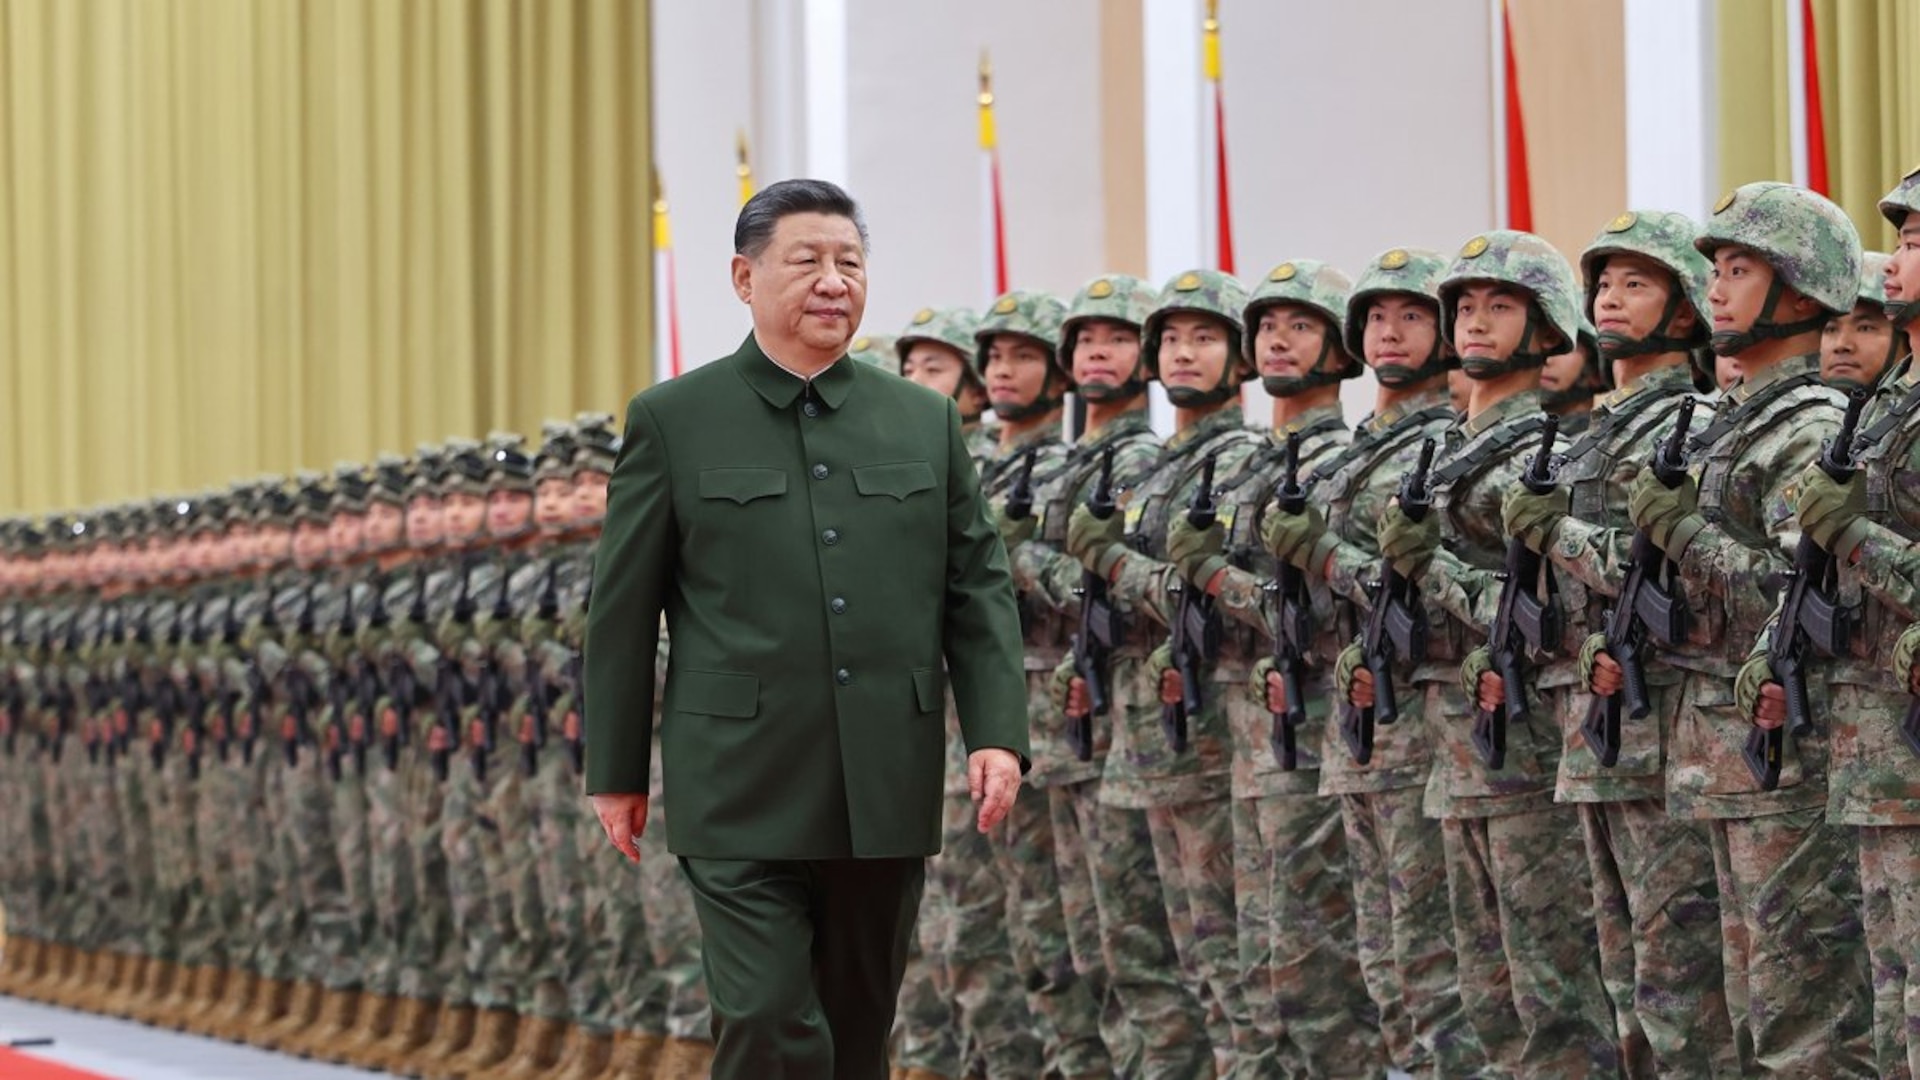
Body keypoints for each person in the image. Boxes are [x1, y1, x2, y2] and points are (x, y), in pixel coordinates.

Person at [584, 178, 1030, 1080]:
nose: (833, 281)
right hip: (737, 777)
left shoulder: (924, 419)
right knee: (766, 1019)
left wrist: (996, 734)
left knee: (856, 1030)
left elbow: (976, 588)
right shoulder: (674, 419)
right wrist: (616, 771)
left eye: (849, 262)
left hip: (883, 773)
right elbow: (623, 611)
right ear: (745, 279)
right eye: (808, 261)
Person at [1620, 181, 1870, 1074]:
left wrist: (1685, 534)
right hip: (1712, 757)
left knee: (1799, 1023)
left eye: (1738, 270)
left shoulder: (1811, 430)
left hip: (1785, 759)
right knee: (1709, 1015)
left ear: (1802, 293)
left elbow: (1804, 597)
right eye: (1714, 271)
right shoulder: (1726, 426)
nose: (1715, 291)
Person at [1500, 209, 1735, 1076]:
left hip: (1665, 731)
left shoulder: (1694, 425)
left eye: (1638, 283)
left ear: (1683, 310)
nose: (1609, 298)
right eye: (1603, 282)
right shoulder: (1591, 429)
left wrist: (1557, 537)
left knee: (1678, 987)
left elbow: (1675, 574)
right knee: (1620, 980)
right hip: (1593, 729)